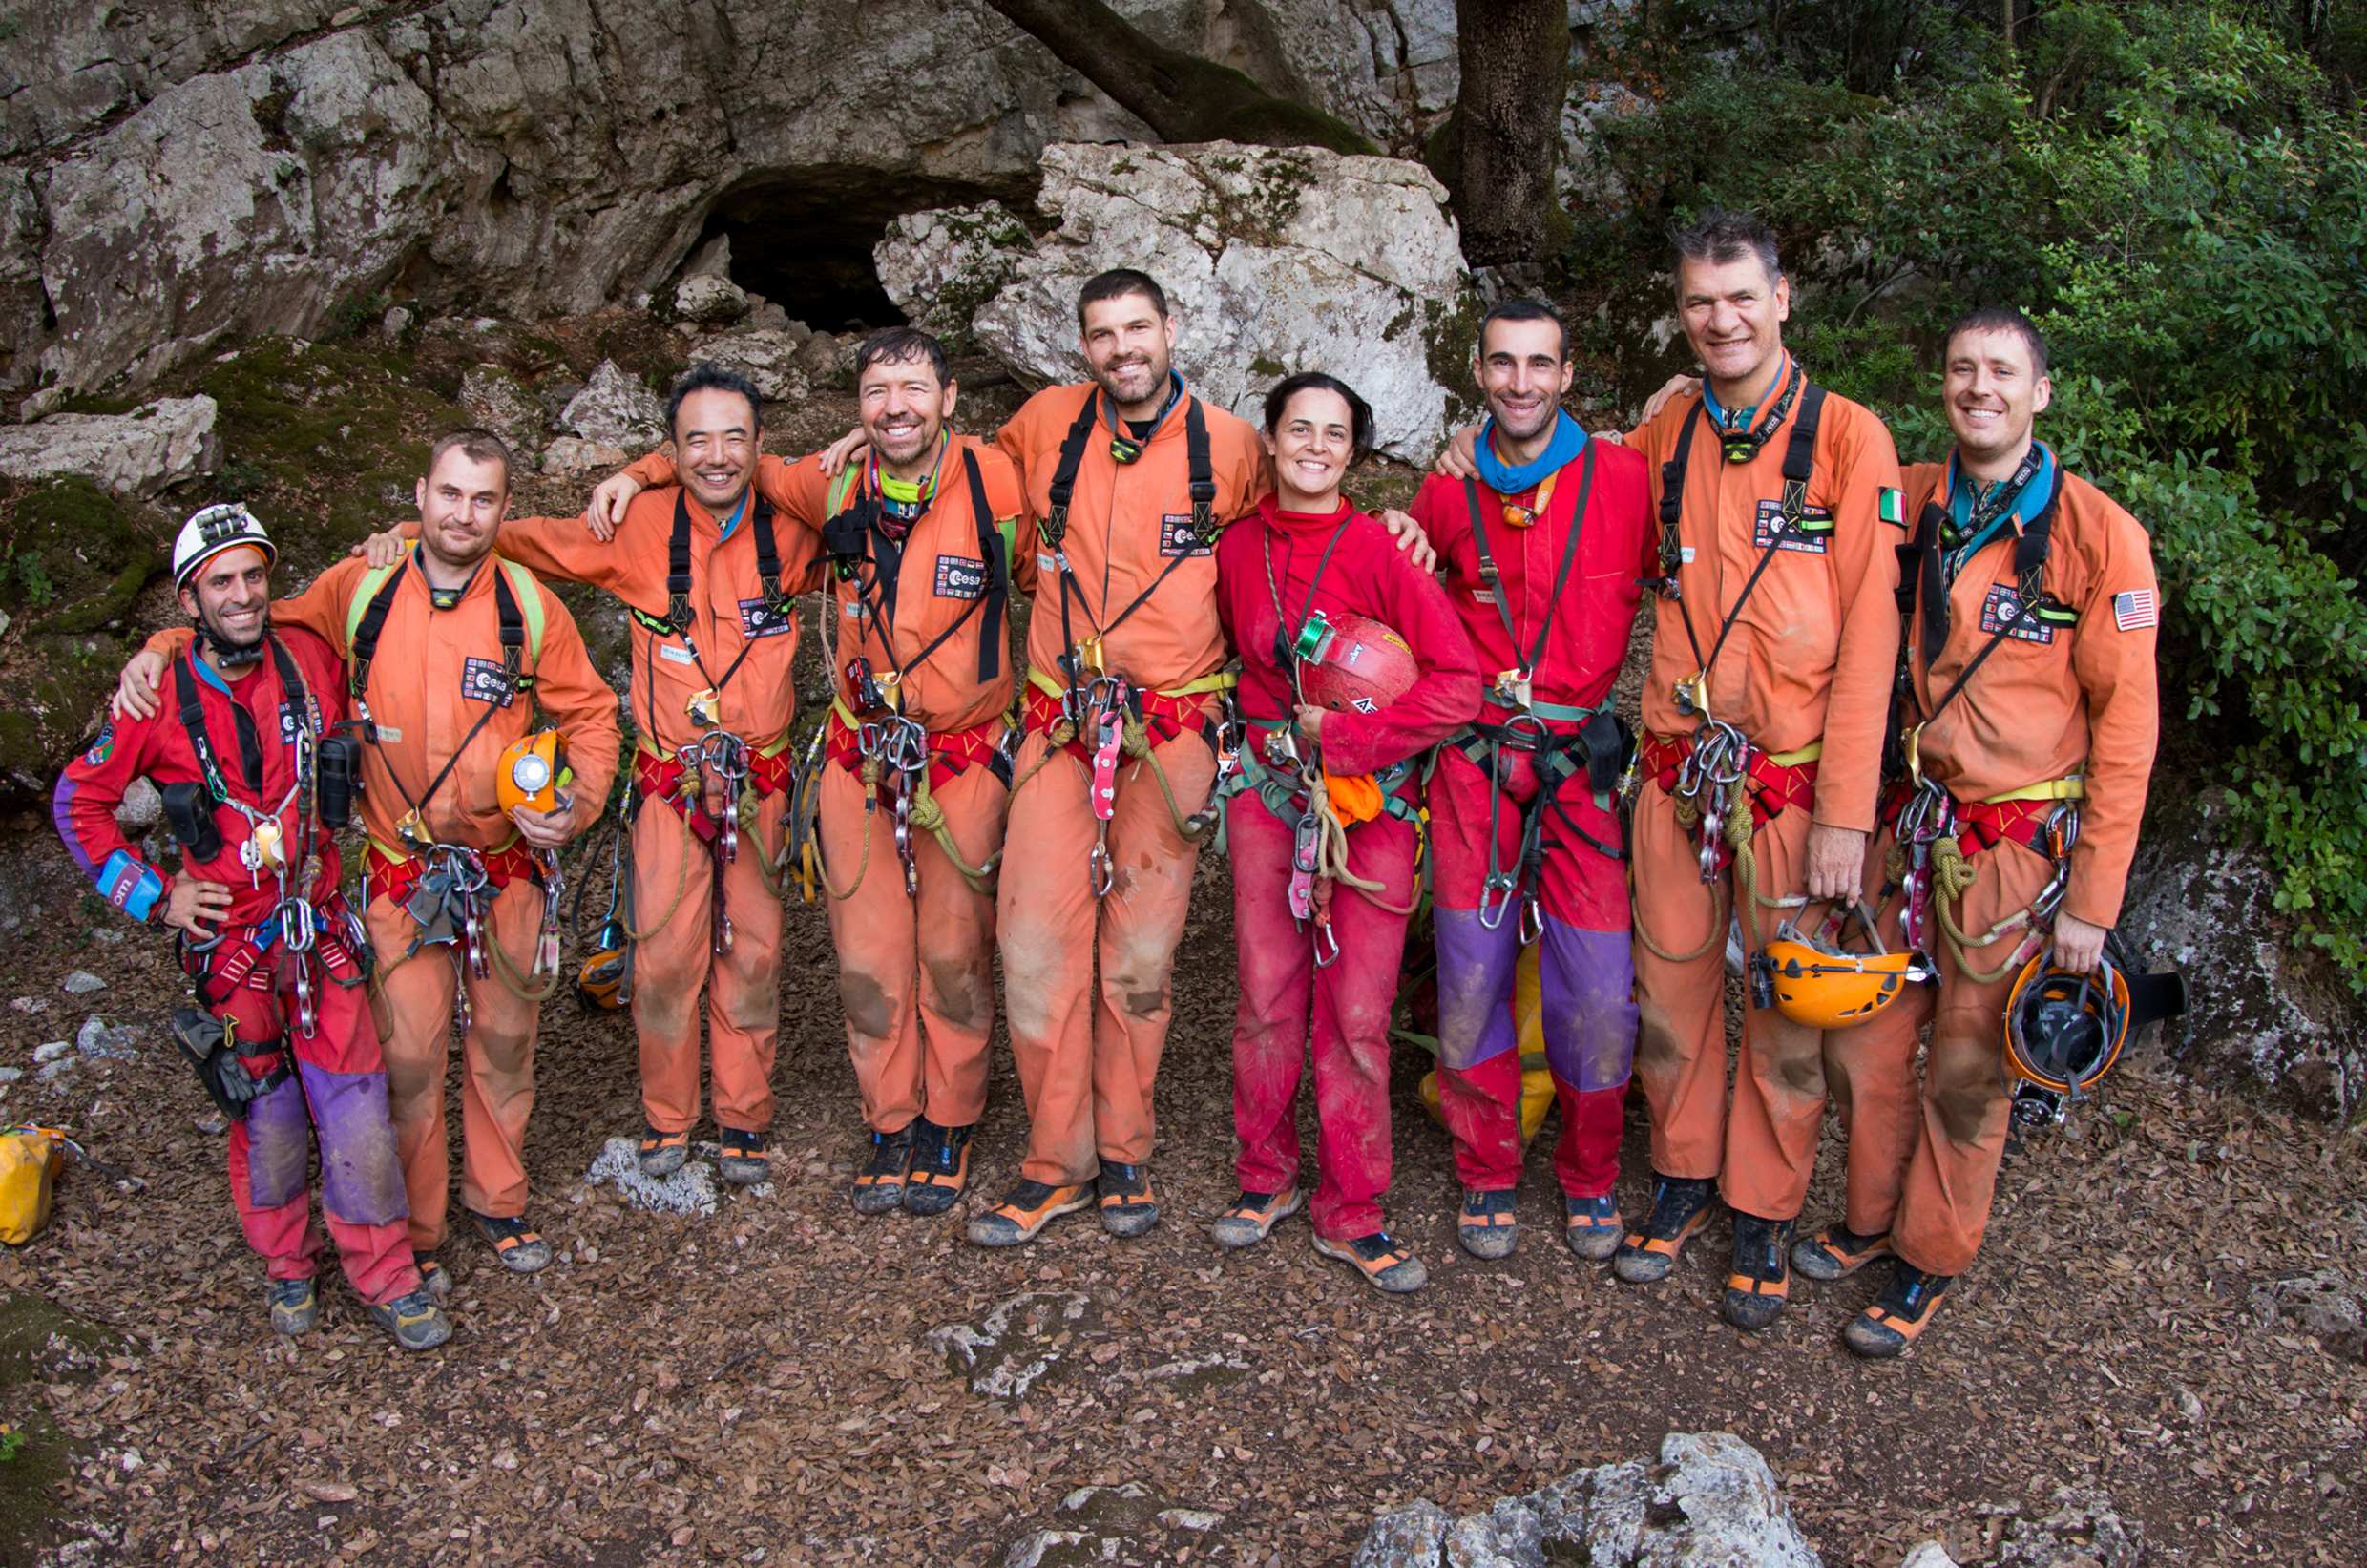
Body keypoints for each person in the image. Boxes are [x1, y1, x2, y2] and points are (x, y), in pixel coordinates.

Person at [115, 432, 621, 1289]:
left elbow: (594, 715)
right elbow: (246, 619)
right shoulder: (363, 589)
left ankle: (498, 1200)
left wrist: (578, 802)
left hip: (506, 872)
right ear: (420, 494)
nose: (465, 514)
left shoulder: (533, 609)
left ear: (504, 507)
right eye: (450, 495)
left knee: (504, 1043)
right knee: (410, 1055)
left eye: (485, 499)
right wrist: (164, 645)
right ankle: (416, 1224)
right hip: (400, 875)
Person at [587, 328, 1024, 1219]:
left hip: (963, 760)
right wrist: (640, 472)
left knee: (953, 951)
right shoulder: (822, 486)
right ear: (855, 407)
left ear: (949, 397)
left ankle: (953, 1113)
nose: (894, 405)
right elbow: (720, 462)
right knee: (866, 959)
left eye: (912, 387)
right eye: (876, 392)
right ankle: (890, 1117)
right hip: (862, 764)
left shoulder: (1001, 478)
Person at [1795, 307, 2160, 1355]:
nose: (1979, 387)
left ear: (2039, 391)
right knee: (1862, 1040)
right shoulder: (1905, 498)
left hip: (2014, 850)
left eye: (2001, 371)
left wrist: (2089, 901)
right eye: (1961, 369)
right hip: (1909, 826)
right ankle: (1867, 1217)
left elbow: (2126, 740)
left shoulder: (2098, 539)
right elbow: (1770, 478)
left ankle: (1927, 1256)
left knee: (1966, 1065)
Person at [372, 366, 824, 1185]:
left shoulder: (793, 524)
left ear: (761, 447)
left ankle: (744, 1118)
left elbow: (880, 530)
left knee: (754, 954)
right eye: (695, 441)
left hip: (761, 788)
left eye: (734, 439)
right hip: (669, 788)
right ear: (673, 449)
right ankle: (668, 1119)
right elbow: (515, 537)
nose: (716, 457)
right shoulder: (637, 528)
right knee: (661, 958)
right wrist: (411, 535)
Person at [55, 505, 450, 1349]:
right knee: (265, 1113)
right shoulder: (158, 695)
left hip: (318, 931)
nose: (243, 595)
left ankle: (384, 1271)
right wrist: (154, 895)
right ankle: (287, 1265)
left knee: (355, 1105)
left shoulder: (308, 657)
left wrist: (392, 534)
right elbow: (76, 801)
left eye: (254, 576)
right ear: (190, 599)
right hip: (231, 949)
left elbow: (412, 579)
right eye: (221, 581)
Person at [1392, 300, 1654, 1265]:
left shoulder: (1627, 480)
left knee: (1595, 988)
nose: (1519, 381)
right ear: (1476, 369)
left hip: (1575, 768)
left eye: (1538, 363)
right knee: (1470, 976)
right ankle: (1485, 1167)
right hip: (1472, 765)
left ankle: (1588, 1175)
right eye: (1501, 363)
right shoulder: (1445, 488)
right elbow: (1396, 605)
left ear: (1568, 373)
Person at [1211, 371, 1479, 1292]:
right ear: (1272, 441)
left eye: (1335, 433)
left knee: (1359, 1013)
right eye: (1299, 429)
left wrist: (1355, 738)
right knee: (1266, 996)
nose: (1315, 446)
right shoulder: (1236, 547)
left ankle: (1352, 1207)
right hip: (1268, 793)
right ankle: (1265, 1175)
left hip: (1368, 805)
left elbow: (1457, 682)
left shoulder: (1381, 553)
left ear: (1354, 452)